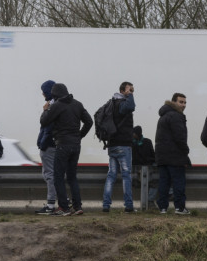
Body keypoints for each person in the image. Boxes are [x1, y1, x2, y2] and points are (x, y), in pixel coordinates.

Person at [40, 82, 93, 216]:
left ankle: (64, 207)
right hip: (76, 146)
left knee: (58, 176)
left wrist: (45, 109)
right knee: (72, 177)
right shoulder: (77, 104)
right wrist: (79, 136)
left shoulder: (56, 105)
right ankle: (78, 206)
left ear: (55, 94)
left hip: (62, 144)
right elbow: (89, 122)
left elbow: (44, 122)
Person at [102, 81, 136, 213]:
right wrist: (130, 95)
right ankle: (129, 205)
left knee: (111, 175)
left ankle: (106, 205)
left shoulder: (112, 103)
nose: (131, 91)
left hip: (113, 145)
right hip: (123, 145)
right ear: (123, 91)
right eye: (129, 89)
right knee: (126, 175)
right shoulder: (122, 104)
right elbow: (131, 106)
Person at [155, 93, 191, 215]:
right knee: (178, 182)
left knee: (164, 182)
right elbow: (180, 137)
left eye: (185, 102)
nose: (183, 105)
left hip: (162, 156)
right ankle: (180, 208)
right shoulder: (176, 116)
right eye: (181, 102)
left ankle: (163, 208)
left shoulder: (163, 116)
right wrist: (186, 151)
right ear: (173, 102)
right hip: (175, 155)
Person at [35, 80, 58, 215]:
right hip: (52, 144)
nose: (42, 93)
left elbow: (46, 125)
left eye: (44, 90)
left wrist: (42, 143)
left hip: (48, 145)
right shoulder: (56, 104)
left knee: (49, 175)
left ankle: (50, 204)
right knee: (51, 174)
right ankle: (63, 199)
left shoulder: (51, 106)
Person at [132, 125, 157, 208]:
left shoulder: (147, 142)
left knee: (154, 181)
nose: (132, 135)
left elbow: (152, 156)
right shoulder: (132, 143)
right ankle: (149, 201)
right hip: (137, 168)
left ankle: (150, 200)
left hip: (147, 166)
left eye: (134, 133)